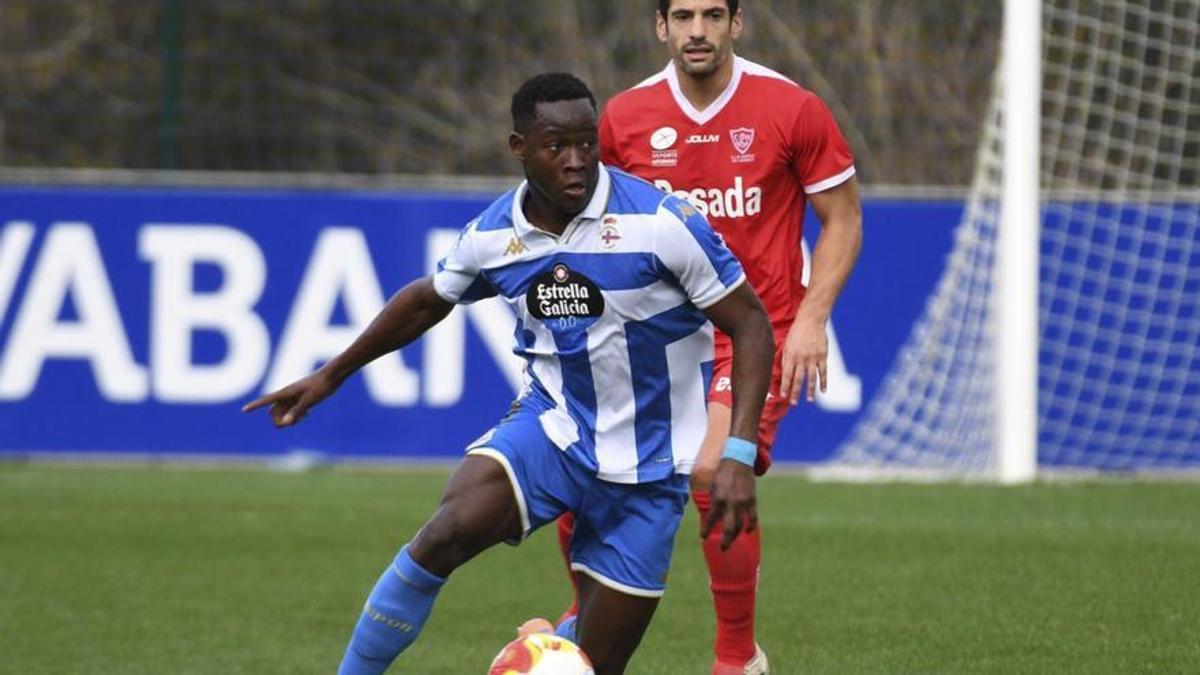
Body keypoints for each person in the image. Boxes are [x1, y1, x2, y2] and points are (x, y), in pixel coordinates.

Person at [243, 72, 774, 675]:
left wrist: (736, 449)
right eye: (556, 147)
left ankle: (545, 641)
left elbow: (752, 326)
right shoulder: (495, 236)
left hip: (651, 465)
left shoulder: (662, 224)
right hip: (554, 429)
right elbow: (427, 300)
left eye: (587, 143)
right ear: (520, 148)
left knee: (586, 665)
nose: (576, 162)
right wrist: (331, 374)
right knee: (445, 533)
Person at [553, 2, 864, 673]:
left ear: (736, 24)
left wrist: (812, 317)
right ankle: (584, 616)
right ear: (661, 26)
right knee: (579, 475)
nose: (699, 30)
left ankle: (736, 657)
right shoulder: (626, 119)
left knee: (713, 472)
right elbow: (596, 225)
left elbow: (842, 218)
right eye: (684, 15)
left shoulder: (791, 107)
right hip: (657, 336)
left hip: (754, 330)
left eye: (713, 14)